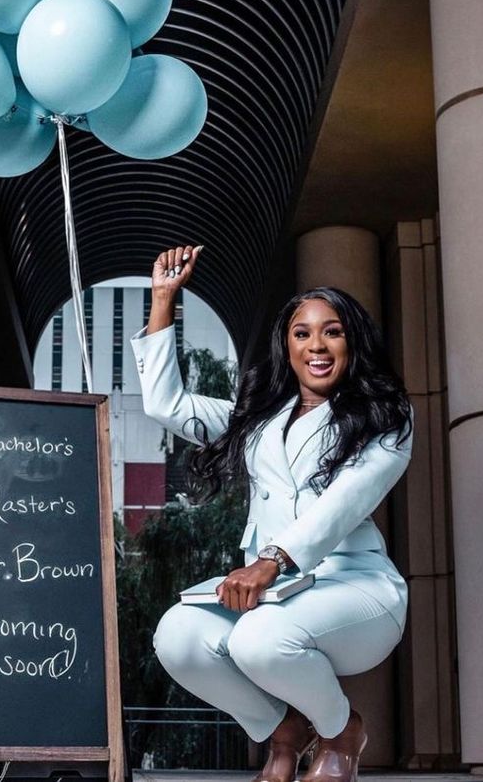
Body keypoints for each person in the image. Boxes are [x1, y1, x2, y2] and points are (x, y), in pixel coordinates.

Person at [130, 244, 414, 782]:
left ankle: (340, 731)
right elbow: (167, 405)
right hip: (273, 594)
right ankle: (284, 730)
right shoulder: (259, 419)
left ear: (351, 340)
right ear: (286, 347)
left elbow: (344, 501)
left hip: (354, 588)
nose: (317, 346)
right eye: (301, 333)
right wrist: (164, 301)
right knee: (177, 635)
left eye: (332, 331)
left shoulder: (386, 415)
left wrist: (272, 559)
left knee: (257, 638)